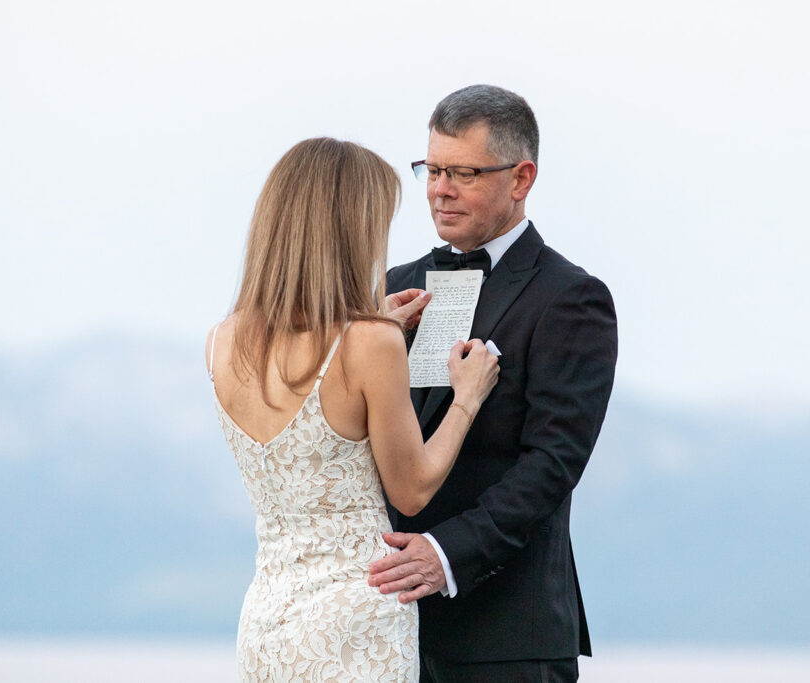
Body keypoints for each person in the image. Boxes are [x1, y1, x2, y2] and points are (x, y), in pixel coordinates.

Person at [205, 137, 499, 682]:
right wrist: (466, 398)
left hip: (267, 623)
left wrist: (373, 324)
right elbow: (411, 488)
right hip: (358, 621)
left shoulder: (223, 342)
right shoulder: (370, 344)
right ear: (350, 232)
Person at [369, 85, 618, 682]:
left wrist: (446, 554)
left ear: (521, 177)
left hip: (507, 639)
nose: (439, 189)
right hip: (383, 633)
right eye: (432, 169)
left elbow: (553, 464)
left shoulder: (571, 298)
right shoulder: (391, 289)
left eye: (463, 173)